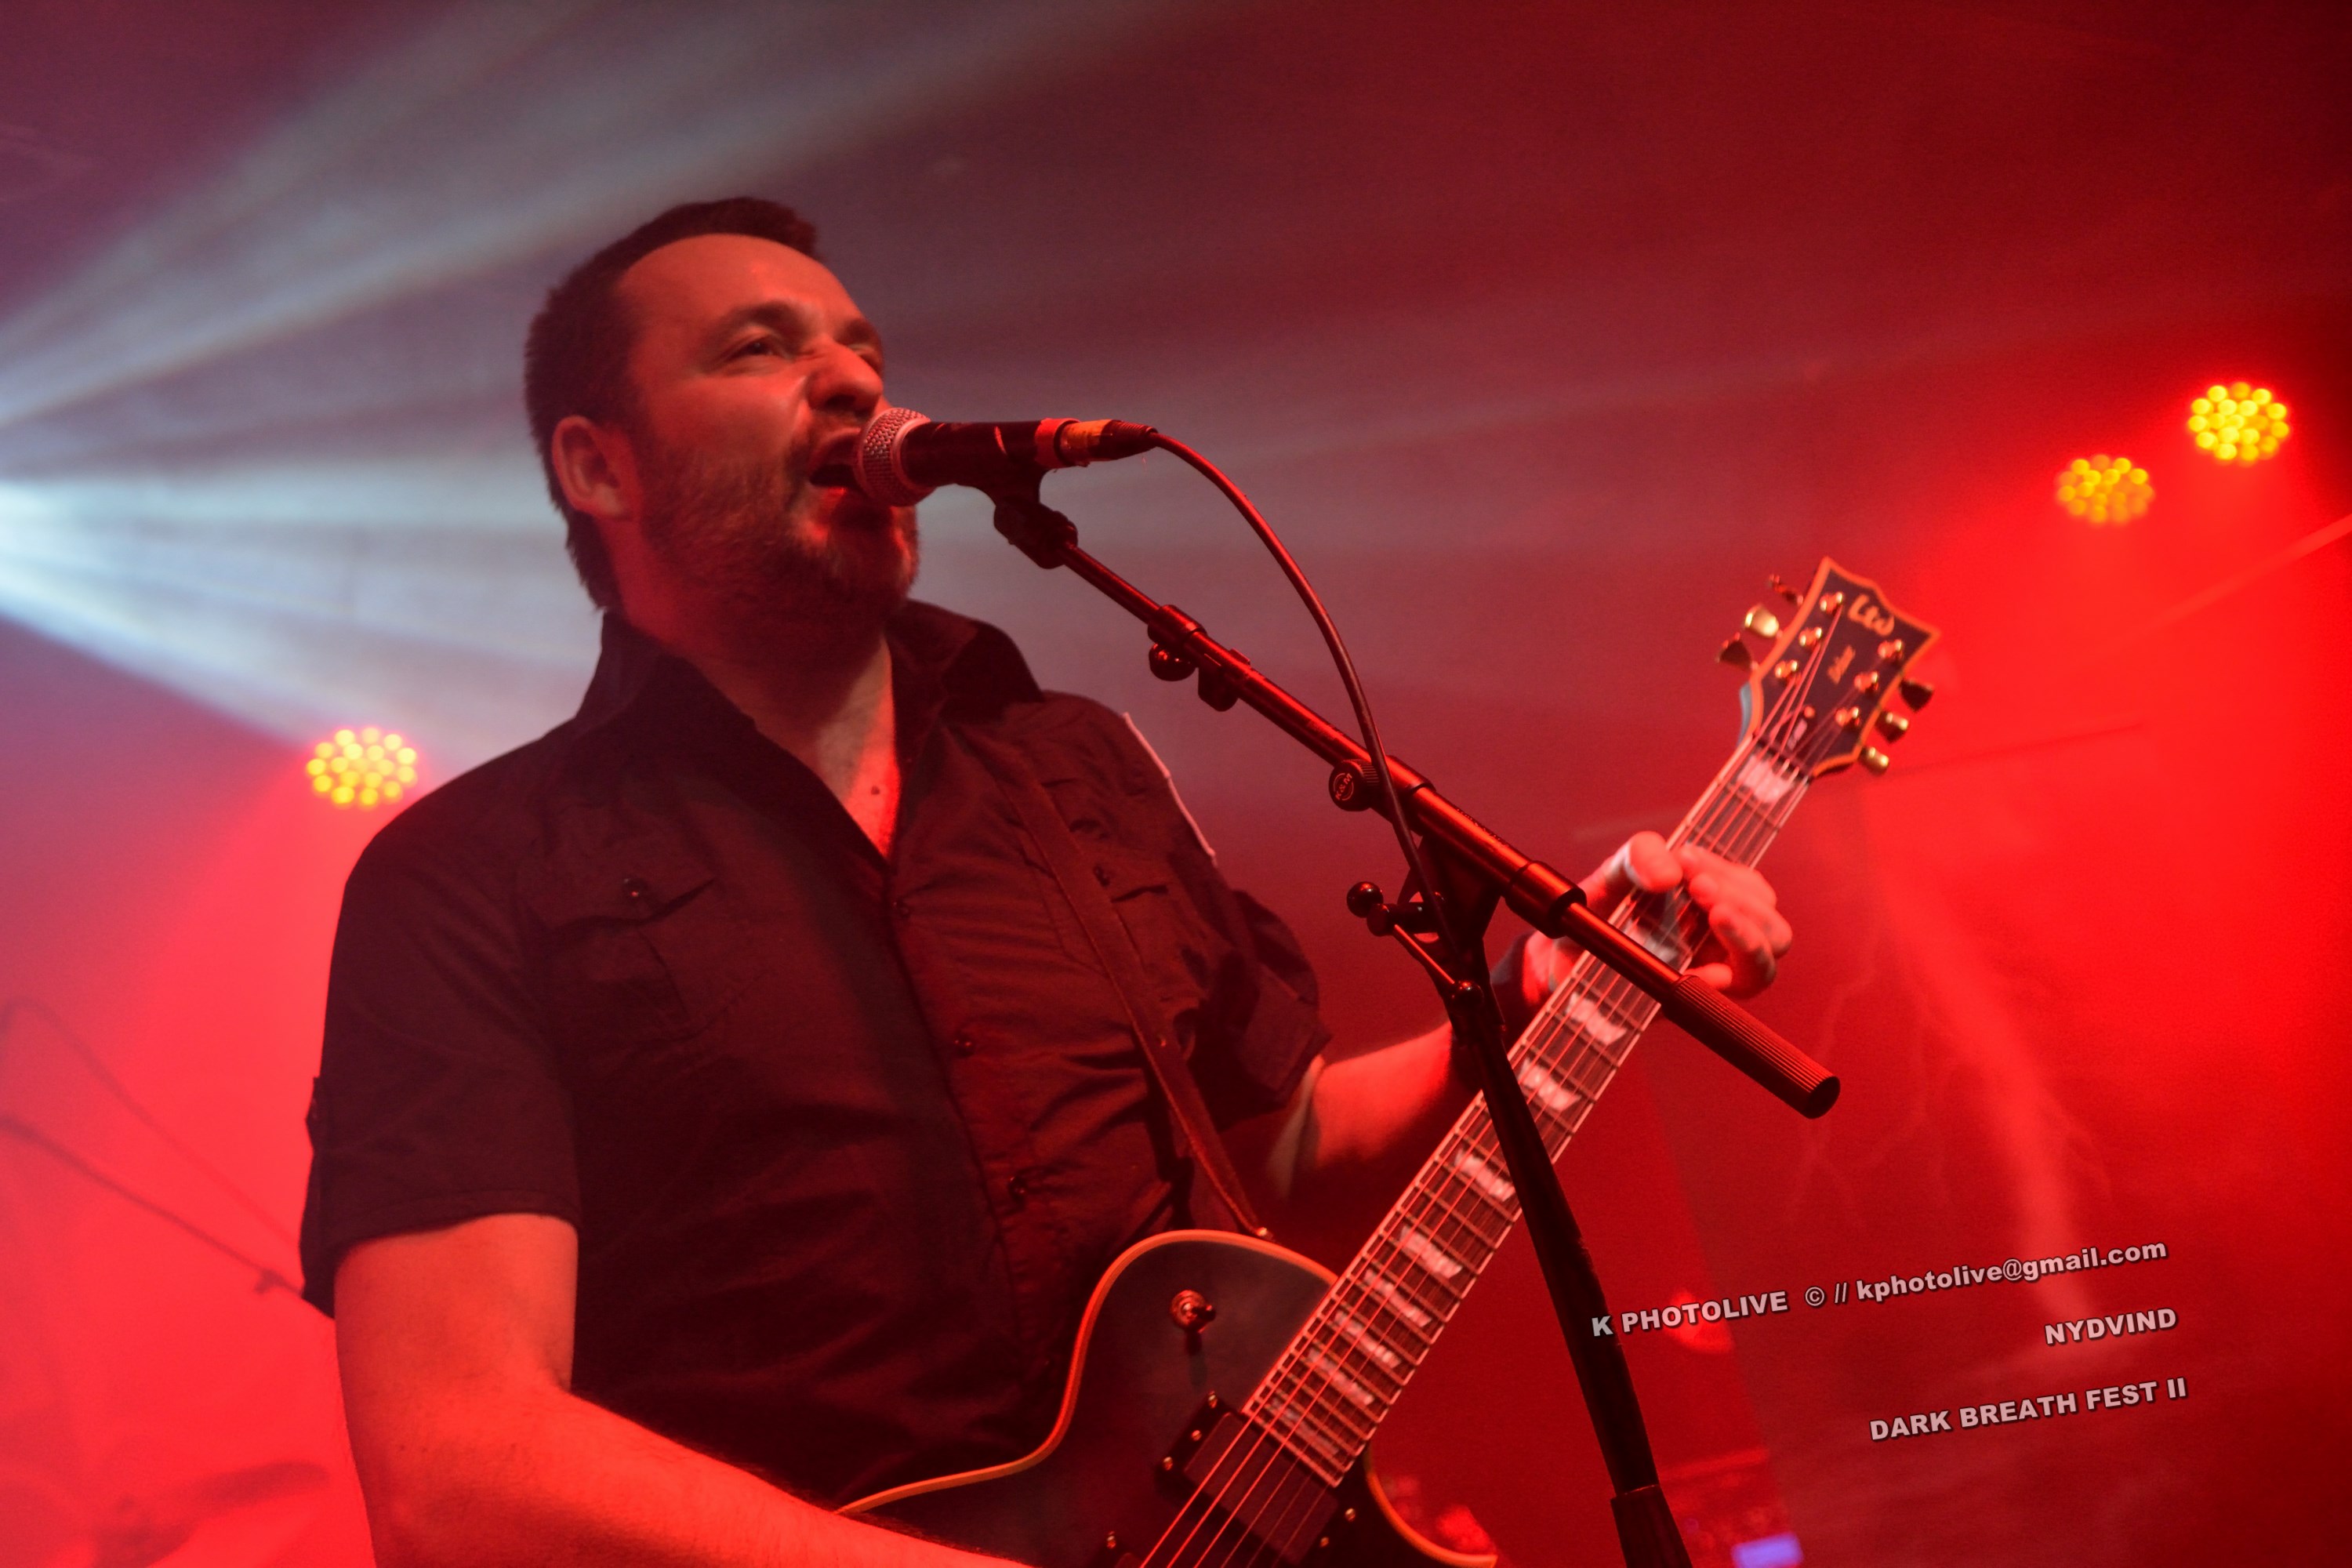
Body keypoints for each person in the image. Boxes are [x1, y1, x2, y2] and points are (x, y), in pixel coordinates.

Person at [299, 198, 1794, 1568]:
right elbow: (459, 1468)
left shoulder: (1074, 764)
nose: (849, 380)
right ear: (598, 465)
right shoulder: (472, 876)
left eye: (861, 348)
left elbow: (1273, 1158)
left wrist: (1535, 997)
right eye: (759, 349)